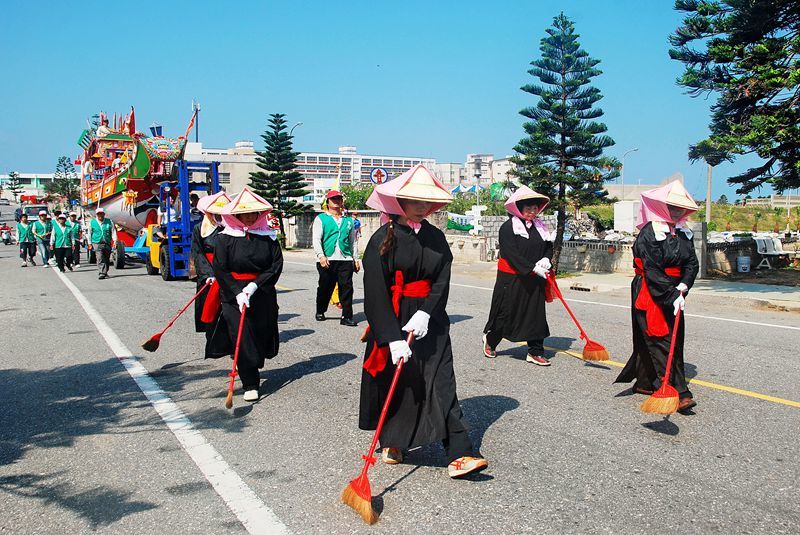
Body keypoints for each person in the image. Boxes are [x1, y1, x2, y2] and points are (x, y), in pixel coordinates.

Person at [360, 164, 488, 479]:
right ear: (399, 202)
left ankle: (460, 453)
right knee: (402, 382)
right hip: (394, 317)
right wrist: (390, 338)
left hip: (431, 320)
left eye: (426, 202)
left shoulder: (436, 237)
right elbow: (375, 292)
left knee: (442, 381)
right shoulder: (382, 238)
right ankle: (393, 440)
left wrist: (427, 311)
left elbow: (443, 278)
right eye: (415, 201)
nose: (421, 208)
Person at [615, 180, 700, 414]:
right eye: (671, 207)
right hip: (650, 290)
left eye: (680, 208)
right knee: (659, 337)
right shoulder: (649, 232)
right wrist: (671, 294)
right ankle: (679, 392)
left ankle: (644, 382)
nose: (676, 212)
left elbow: (691, 263)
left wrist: (683, 285)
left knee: (673, 337)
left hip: (675, 290)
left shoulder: (684, 233)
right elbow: (651, 269)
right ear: (661, 207)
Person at [212, 187, 283, 403]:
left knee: (261, 333)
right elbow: (220, 268)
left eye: (254, 212)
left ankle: (254, 364)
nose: (251, 217)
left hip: (261, 291)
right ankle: (250, 382)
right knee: (242, 337)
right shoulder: (225, 239)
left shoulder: (268, 238)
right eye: (246, 213)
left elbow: (275, 266)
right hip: (234, 294)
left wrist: (254, 286)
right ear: (237, 215)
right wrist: (237, 291)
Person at [482, 186, 553, 366]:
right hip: (512, 279)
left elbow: (548, 246)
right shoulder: (508, 228)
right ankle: (491, 340)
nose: (532, 212)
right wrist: (531, 268)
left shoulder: (540, 227)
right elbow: (512, 254)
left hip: (534, 279)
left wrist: (546, 259)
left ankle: (535, 351)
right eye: (528, 208)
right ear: (518, 209)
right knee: (506, 313)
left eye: (535, 208)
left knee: (536, 315)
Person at [191, 191, 233, 359]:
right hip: (209, 275)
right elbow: (197, 252)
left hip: (227, 274)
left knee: (229, 311)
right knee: (211, 311)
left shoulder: (229, 228)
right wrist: (208, 274)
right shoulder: (198, 229)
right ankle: (213, 342)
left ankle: (231, 344)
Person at [313, 190, 360, 326]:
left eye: (339, 199)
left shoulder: (349, 221)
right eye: (333, 199)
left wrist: (355, 259)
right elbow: (316, 239)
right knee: (325, 287)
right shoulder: (321, 219)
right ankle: (320, 310)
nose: (337, 201)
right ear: (327, 202)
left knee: (347, 287)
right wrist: (321, 256)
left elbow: (353, 241)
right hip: (327, 258)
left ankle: (346, 316)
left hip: (345, 259)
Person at [90, 207, 117, 279]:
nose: (100, 215)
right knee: (100, 257)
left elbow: (113, 231)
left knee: (106, 258)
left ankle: (105, 271)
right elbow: (89, 233)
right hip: (97, 242)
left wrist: (115, 241)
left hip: (107, 242)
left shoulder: (109, 221)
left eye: (101, 214)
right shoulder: (92, 222)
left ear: (104, 214)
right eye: (98, 214)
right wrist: (90, 243)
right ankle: (102, 273)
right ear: (96, 215)